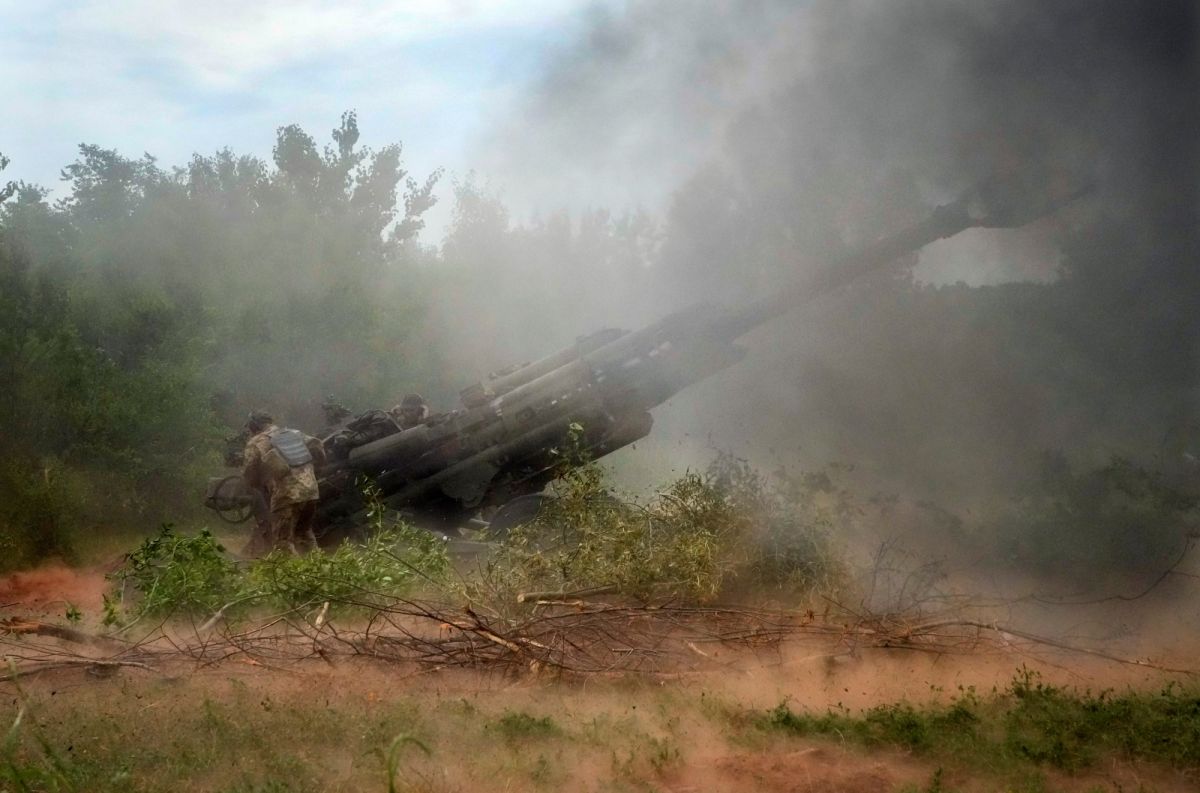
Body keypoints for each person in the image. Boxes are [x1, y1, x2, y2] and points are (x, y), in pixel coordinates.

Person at [241, 410, 326, 555]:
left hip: (286, 495)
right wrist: (313, 471)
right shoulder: (294, 433)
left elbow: (249, 474)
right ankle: (322, 568)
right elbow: (317, 446)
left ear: (254, 426)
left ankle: (296, 576)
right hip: (311, 491)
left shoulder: (256, 442)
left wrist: (258, 484)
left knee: (283, 542)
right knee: (304, 534)